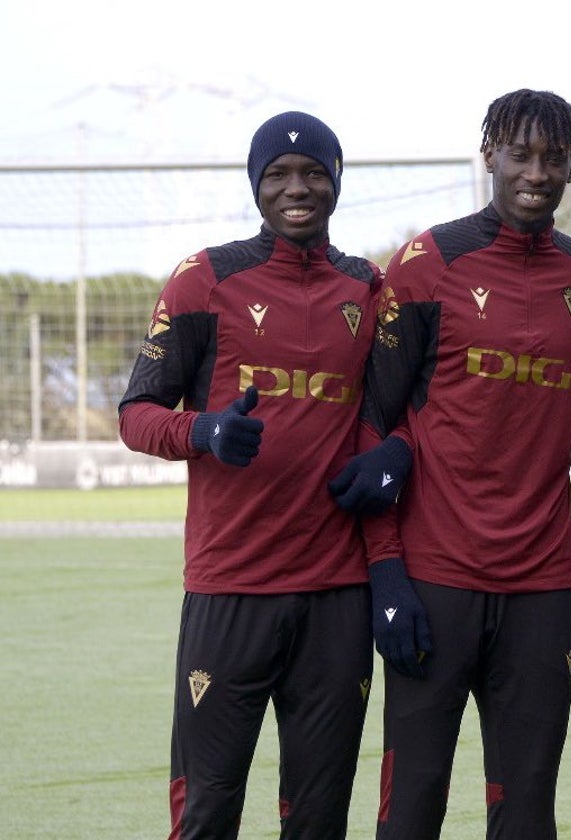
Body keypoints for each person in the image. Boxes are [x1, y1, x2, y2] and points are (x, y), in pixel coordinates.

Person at [332, 89, 571, 840]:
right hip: (433, 578)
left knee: (527, 809)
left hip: (543, 582)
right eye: (521, 154)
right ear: (490, 155)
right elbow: (374, 421)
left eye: (555, 158)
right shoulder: (429, 262)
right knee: (414, 801)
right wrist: (386, 572)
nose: (537, 172)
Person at [118, 111, 381, 839]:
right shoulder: (204, 280)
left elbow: (390, 416)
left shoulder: (367, 289)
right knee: (206, 811)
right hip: (229, 588)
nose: (297, 189)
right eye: (278, 175)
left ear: (335, 182)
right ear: (255, 186)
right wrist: (203, 431)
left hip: (337, 595)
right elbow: (136, 413)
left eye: (313, 174)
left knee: (320, 816)